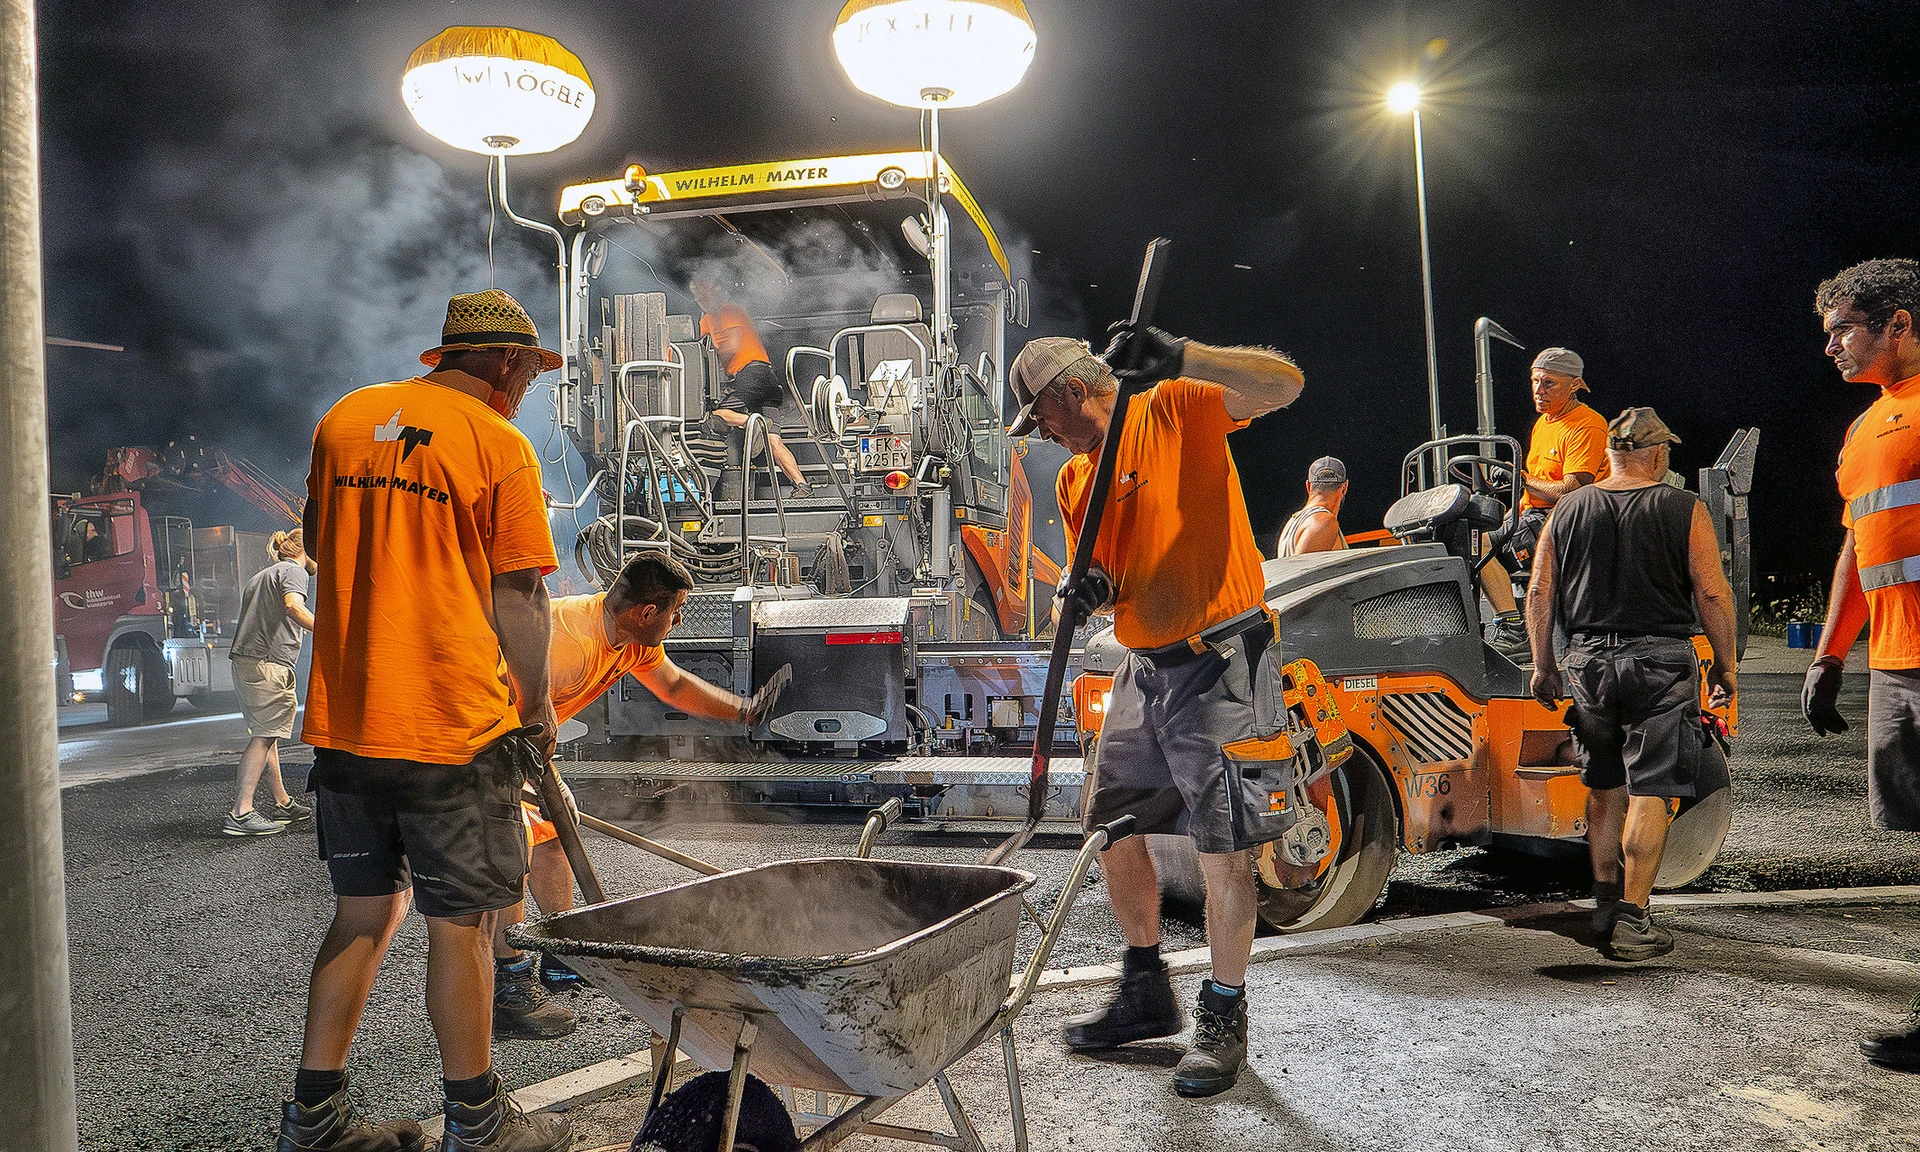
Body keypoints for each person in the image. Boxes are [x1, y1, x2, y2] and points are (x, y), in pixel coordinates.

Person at [279, 289, 569, 1152]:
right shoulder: (498, 442)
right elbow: (520, 592)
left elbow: (319, 544)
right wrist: (537, 705)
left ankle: (313, 1121)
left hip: (348, 721)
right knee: (464, 926)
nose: (526, 390)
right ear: (508, 361)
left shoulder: (343, 420)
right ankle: (477, 1125)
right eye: (529, 374)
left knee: (363, 914)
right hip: (453, 725)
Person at [1008, 328, 1305, 1097]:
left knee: (1223, 851)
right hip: (1146, 668)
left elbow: (1284, 386)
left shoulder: (1172, 408)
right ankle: (1146, 988)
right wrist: (1091, 591)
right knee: (1110, 826)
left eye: (1041, 417)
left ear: (1074, 392)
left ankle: (1224, 1014)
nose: (1040, 433)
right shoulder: (1077, 479)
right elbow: (1114, 572)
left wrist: (1183, 357)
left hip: (1221, 659)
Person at [489, 550, 792, 1037]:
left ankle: (561, 951)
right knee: (510, 852)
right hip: (489, 741)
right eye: (676, 612)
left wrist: (742, 710)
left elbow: (674, 686)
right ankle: (510, 981)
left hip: (527, 742)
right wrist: (528, 779)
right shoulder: (568, 643)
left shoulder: (631, 641)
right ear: (647, 612)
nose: (677, 623)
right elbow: (501, 708)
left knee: (553, 835)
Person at [1525, 407, 1735, 962]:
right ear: (1658, 454)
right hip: (1659, 663)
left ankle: (1602, 904)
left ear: (1610, 455)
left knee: (1604, 783)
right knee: (1651, 788)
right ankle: (1632, 920)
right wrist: (1726, 664)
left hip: (1588, 662)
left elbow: (1540, 591)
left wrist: (1544, 664)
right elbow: (1712, 592)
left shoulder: (1568, 508)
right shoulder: (1683, 507)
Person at [1801, 257, 1920, 1070]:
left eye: (1843, 329)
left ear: (1898, 324)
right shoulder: (1864, 429)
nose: (1831, 345)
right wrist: (1830, 655)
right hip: (1898, 665)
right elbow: (1858, 545)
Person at [1480, 347, 1610, 660]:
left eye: (1548, 383)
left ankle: (1515, 629)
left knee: (1480, 545)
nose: (1539, 390)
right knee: (1468, 539)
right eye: (1535, 381)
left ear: (1575, 385)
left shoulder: (1586, 425)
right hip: (1536, 516)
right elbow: (1535, 486)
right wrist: (1507, 515)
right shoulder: (1545, 423)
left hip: (1569, 521)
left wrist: (1520, 478)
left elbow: (1573, 490)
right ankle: (1504, 623)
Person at [224, 528, 317, 837]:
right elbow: (293, 606)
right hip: (267, 664)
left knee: (268, 735)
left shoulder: (263, 575)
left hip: (249, 662)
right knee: (264, 737)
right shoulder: (294, 571)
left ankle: (282, 803)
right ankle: (241, 813)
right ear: (306, 549)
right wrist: (332, 629)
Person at [690, 277, 812, 497]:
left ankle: (755, 423)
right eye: (696, 296)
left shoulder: (731, 311)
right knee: (774, 442)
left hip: (753, 373)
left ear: (715, 290)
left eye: (703, 293)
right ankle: (802, 485)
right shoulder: (708, 319)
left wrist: (715, 366)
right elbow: (690, 337)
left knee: (717, 415)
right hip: (767, 380)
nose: (700, 299)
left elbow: (733, 345)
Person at [1277, 456, 1349, 556]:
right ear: (1344, 488)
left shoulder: (1292, 523)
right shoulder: (1324, 522)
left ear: (1308, 486)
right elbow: (1303, 565)